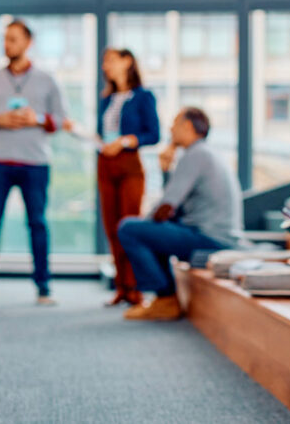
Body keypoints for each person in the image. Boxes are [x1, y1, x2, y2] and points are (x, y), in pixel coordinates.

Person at [0, 20, 70, 306]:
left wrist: (36, 118)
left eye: (13, 39)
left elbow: (61, 119)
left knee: (37, 223)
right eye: (5, 39)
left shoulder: (48, 81)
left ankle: (43, 287)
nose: (7, 44)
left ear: (28, 42)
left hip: (34, 163)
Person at [118, 107, 240, 321]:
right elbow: (173, 207)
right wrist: (166, 170)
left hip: (210, 238)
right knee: (150, 231)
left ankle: (165, 298)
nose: (170, 129)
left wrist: (144, 226)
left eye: (174, 123)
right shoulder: (205, 153)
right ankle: (164, 298)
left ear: (188, 126)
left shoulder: (195, 155)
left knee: (129, 229)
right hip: (214, 235)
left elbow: (165, 207)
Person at [97, 48, 159, 307]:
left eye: (111, 60)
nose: (105, 66)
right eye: (104, 62)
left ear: (127, 62)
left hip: (129, 163)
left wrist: (125, 141)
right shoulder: (106, 99)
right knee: (111, 227)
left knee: (128, 225)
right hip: (105, 162)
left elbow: (153, 134)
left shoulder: (143, 97)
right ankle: (121, 286)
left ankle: (136, 287)